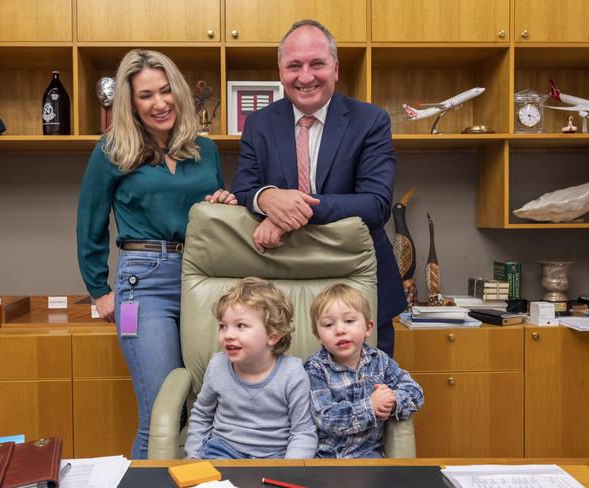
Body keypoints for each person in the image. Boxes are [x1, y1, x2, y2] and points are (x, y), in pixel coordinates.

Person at [76, 49, 236, 459]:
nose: (160, 103)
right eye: (146, 95)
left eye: (166, 91)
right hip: (142, 282)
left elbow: (209, 219)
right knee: (162, 415)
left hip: (202, 279)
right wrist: (99, 290)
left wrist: (223, 203)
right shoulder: (112, 149)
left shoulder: (204, 150)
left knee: (207, 409)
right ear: (131, 103)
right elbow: (89, 221)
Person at [229, 20, 405, 357]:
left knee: (365, 400)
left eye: (317, 64)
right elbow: (244, 189)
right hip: (283, 287)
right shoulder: (259, 124)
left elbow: (376, 204)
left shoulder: (371, 121)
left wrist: (291, 211)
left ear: (335, 69)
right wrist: (267, 198)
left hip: (359, 287)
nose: (305, 76)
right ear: (281, 71)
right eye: (294, 65)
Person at [185, 277, 317, 459]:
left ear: (273, 335)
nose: (228, 335)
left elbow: (303, 432)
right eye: (223, 326)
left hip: (275, 457)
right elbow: (202, 415)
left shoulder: (293, 374)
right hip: (223, 451)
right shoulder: (217, 365)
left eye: (241, 326)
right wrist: (193, 458)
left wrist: (289, 470)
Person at [304, 284, 424, 458]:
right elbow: (325, 418)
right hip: (328, 457)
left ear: (368, 328)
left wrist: (392, 402)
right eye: (329, 324)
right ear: (319, 336)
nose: (340, 330)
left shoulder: (379, 361)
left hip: (369, 455)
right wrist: (370, 406)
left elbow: (416, 391)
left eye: (349, 321)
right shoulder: (315, 367)